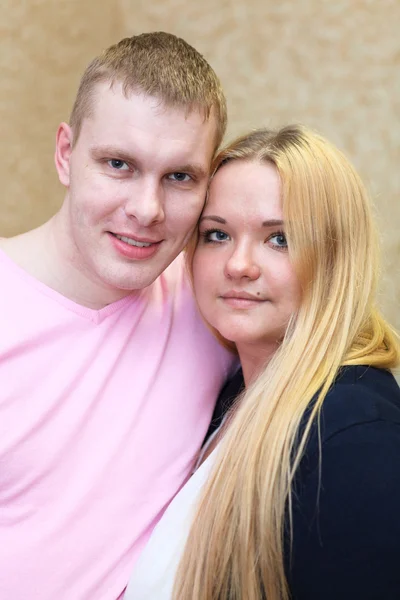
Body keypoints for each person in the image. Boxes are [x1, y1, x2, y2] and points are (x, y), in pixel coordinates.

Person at [0, 32, 237, 600]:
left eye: (180, 177)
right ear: (65, 154)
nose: (147, 210)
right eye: (119, 164)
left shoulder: (213, 303)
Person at [125, 125, 400, 600]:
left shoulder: (353, 434)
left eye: (279, 240)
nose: (238, 265)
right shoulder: (233, 393)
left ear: (336, 258)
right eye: (217, 234)